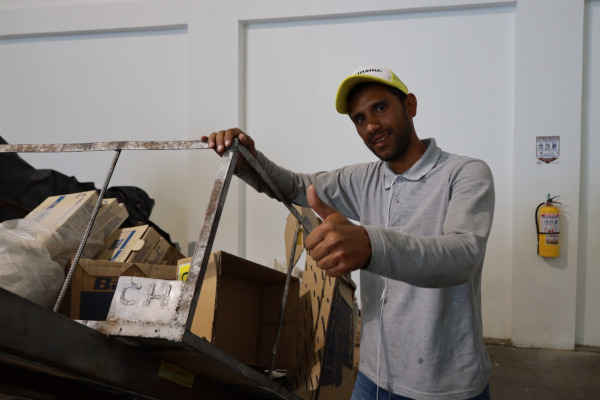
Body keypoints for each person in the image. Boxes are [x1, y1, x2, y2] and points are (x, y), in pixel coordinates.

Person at [202, 66, 494, 400]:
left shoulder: (465, 174)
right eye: (359, 118)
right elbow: (296, 186)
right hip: (374, 376)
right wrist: (249, 161)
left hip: (446, 385)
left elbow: (462, 256)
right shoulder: (362, 179)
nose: (371, 126)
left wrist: (371, 246)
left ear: (410, 106)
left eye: (380, 108)